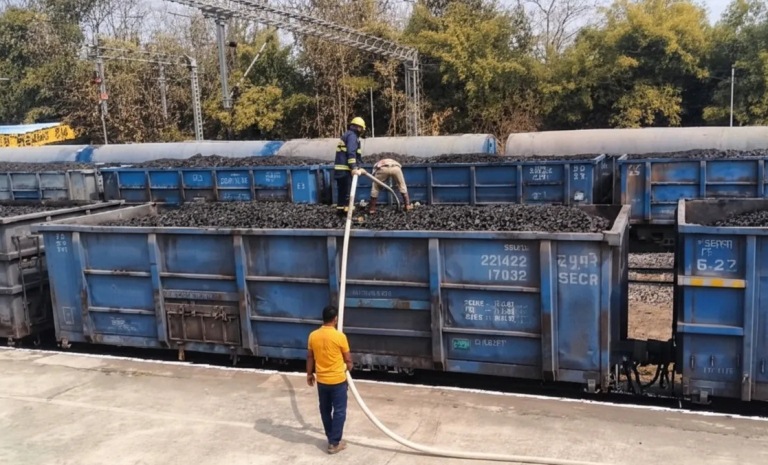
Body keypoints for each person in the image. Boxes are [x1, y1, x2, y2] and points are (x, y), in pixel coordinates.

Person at [307, 305, 353, 454]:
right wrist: (349, 367)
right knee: (339, 411)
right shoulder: (340, 337)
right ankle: (334, 443)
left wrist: (309, 374)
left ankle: (331, 438)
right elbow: (348, 359)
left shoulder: (313, 336)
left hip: (322, 381)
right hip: (338, 381)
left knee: (325, 410)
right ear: (335, 319)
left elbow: (310, 357)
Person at [334, 117, 366, 217]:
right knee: (348, 191)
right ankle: (349, 212)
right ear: (359, 128)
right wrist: (354, 167)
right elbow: (351, 153)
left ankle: (340, 211)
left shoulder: (346, 135)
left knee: (342, 191)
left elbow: (357, 155)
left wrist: (360, 165)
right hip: (345, 169)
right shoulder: (352, 136)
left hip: (339, 169)